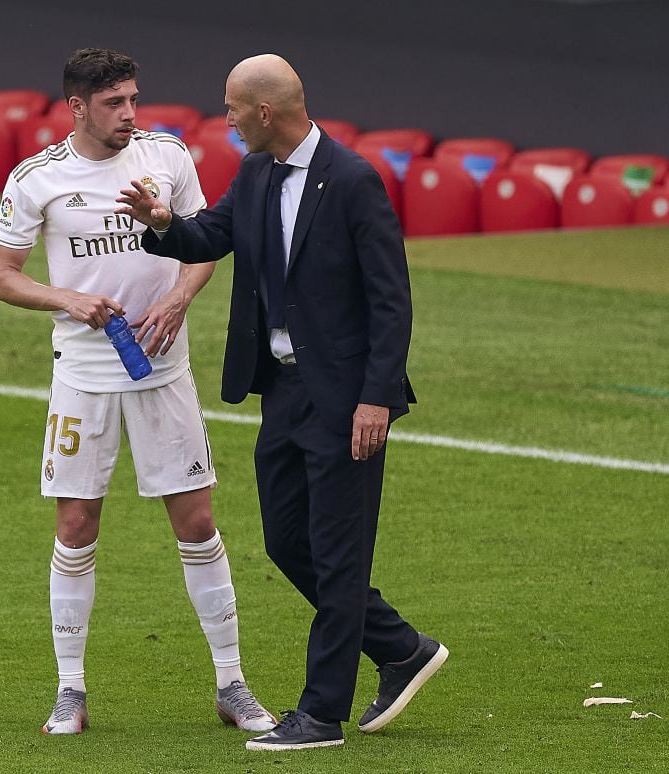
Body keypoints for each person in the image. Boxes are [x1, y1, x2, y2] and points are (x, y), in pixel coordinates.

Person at [117, 53, 447, 751]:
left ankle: (320, 714)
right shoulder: (256, 173)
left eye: (233, 108)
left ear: (266, 112)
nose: (227, 119)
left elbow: (393, 302)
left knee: (338, 554)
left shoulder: (355, 181)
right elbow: (213, 235)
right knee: (287, 541)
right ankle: (401, 648)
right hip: (285, 393)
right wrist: (163, 221)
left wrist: (375, 399)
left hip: (346, 400)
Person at [0, 48, 276, 737]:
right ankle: (69, 690)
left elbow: (204, 244)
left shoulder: (167, 157)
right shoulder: (38, 179)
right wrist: (67, 299)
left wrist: (177, 299)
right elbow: (1, 275)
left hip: (165, 372)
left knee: (198, 522)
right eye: (114, 103)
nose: (129, 115)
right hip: (83, 377)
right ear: (77, 107)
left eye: (133, 100)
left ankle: (232, 682)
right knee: (75, 525)